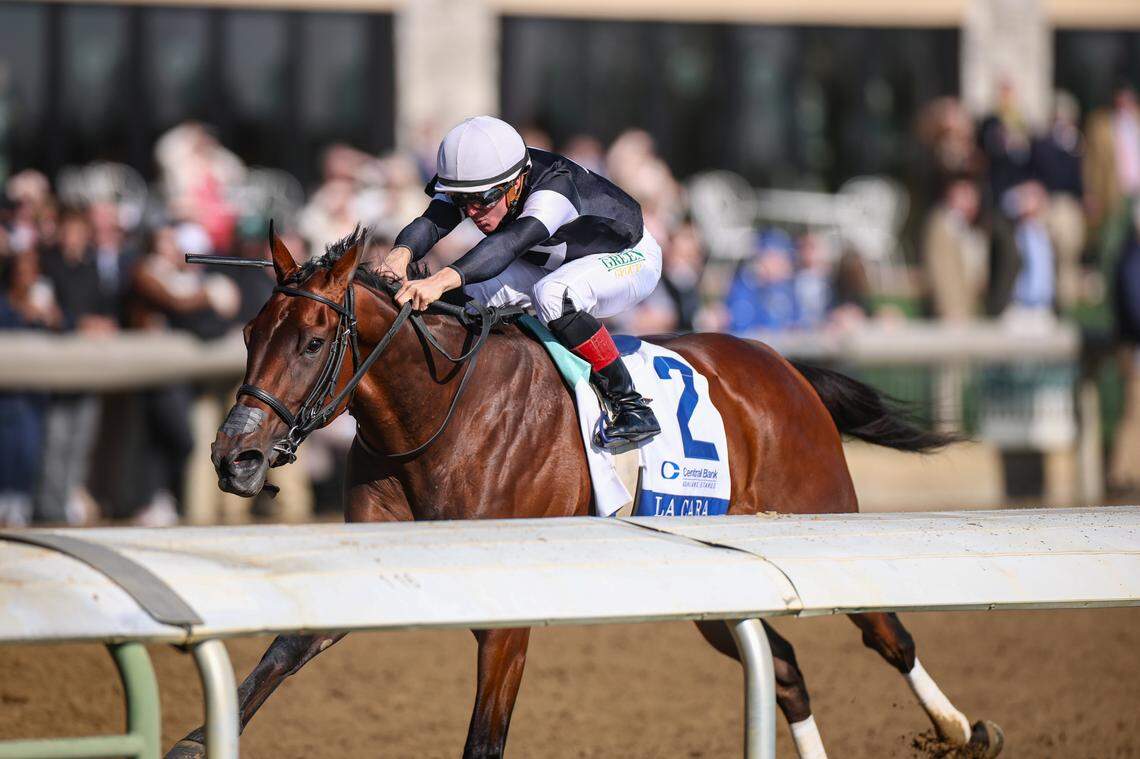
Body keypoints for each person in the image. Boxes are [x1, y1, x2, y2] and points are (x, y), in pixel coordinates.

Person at [380, 116, 661, 448]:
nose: (472, 212)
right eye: (461, 200)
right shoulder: (484, 180)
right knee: (464, 295)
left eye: (482, 199)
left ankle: (631, 405)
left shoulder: (553, 191)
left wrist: (438, 280)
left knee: (553, 295)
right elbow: (432, 220)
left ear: (516, 183)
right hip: (553, 260)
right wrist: (399, 254)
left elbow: (507, 245)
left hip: (629, 254)